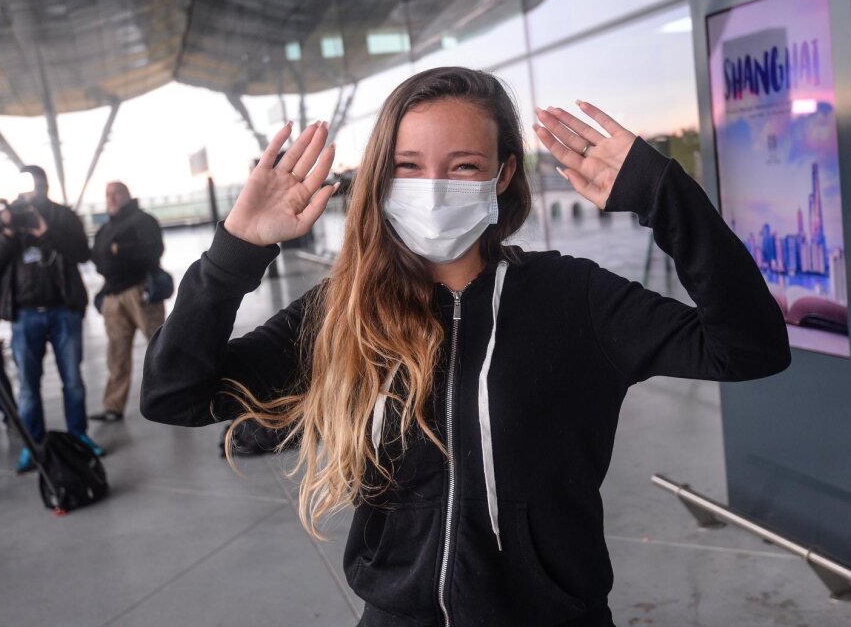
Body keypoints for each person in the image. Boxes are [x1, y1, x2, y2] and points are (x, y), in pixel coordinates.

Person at [141, 68, 790, 626]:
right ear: (382, 177)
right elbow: (175, 396)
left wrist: (663, 194)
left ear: (502, 174)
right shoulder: (343, 311)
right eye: (408, 166)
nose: (433, 185)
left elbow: (750, 347)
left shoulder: (573, 298)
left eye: (464, 166)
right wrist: (237, 249)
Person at [0, 165, 102, 473]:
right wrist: (8, 232)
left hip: (64, 309)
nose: (31, 192)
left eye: (35, 185)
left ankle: (79, 437)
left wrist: (47, 233)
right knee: (28, 387)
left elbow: (83, 253)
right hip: (25, 315)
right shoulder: (9, 220)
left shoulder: (63, 215)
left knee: (73, 381)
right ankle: (33, 445)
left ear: (44, 185)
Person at [90, 181, 166, 423]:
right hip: (113, 296)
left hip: (140, 292)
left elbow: (153, 251)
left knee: (162, 347)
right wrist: (111, 252)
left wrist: (119, 249)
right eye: (108, 194)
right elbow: (98, 259)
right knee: (117, 356)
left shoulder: (143, 221)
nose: (111, 198)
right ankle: (113, 406)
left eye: (116, 193)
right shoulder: (105, 229)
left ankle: (177, 395)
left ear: (127, 195)